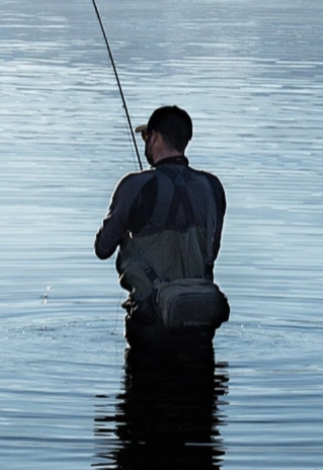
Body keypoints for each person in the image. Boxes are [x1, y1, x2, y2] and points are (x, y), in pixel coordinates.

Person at [95, 105, 228, 347]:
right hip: (201, 323)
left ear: (155, 137)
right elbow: (212, 252)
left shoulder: (133, 185)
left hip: (151, 327)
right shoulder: (213, 187)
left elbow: (103, 248)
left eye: (146, 136)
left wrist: (129, 222)